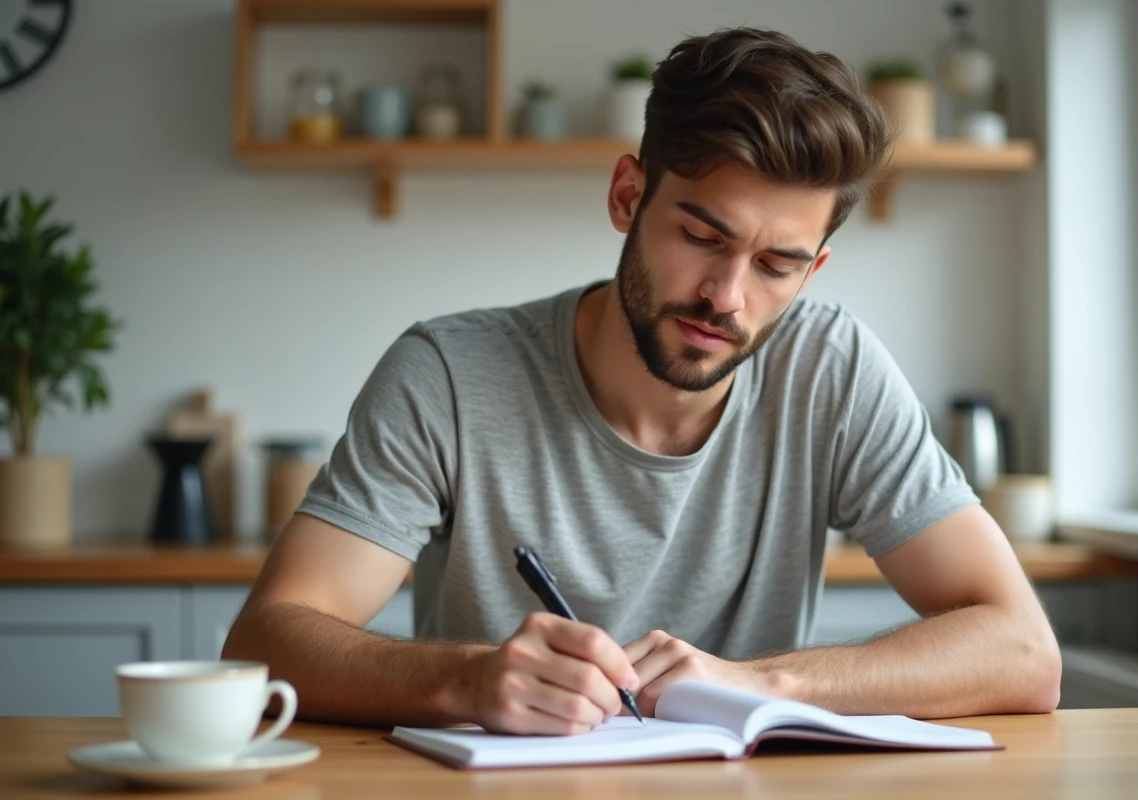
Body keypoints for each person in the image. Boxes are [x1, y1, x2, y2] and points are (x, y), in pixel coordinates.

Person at [223, 27, 1061, 734]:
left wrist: (768, 685)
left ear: (813, 271)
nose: (726, 297)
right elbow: (263, 643)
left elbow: (1025, 654)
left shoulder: (831, 370)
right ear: (628, 196)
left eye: (776, 266)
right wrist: (465, 680)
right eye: (701, 236)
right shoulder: (448, 374)